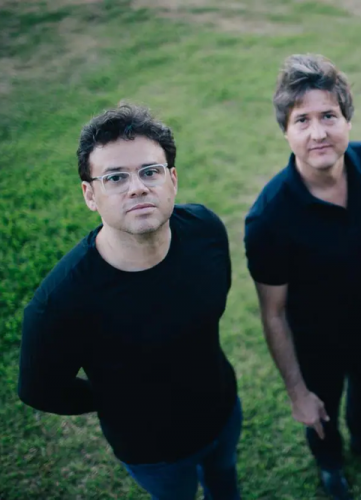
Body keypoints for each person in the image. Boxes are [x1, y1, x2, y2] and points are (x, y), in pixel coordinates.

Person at [18, 104, 242, 500]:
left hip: (223, 410)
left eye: (150, 171)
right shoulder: (60, 303)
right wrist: (115, 397)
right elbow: (39, 390)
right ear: (90, 194)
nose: (137, 187)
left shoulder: (205, 230)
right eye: (116, 177)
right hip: (153, 450)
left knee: (225, 482)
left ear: (172, 179)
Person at [244, 54, 361, 500]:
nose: (318, 132)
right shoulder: (268, 219)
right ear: (286, 131)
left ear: (347, 120)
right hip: (315, 344)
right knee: (321, 414)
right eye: (302, 120)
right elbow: (273, 314)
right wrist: (297, 391)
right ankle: (330, 466)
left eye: (329, 116)